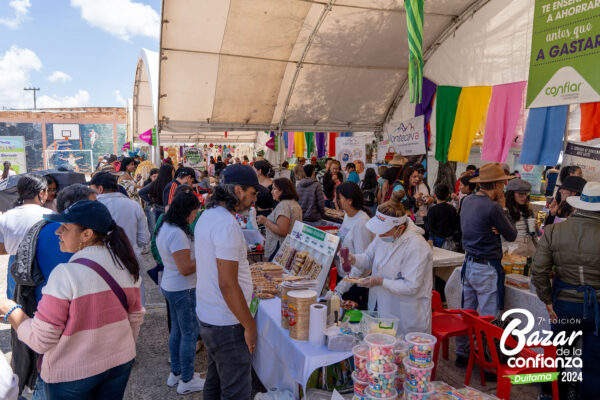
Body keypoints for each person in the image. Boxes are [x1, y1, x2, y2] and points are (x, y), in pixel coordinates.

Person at [0, 200, 144, 399]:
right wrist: (124, 351)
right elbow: (135, 318)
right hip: (119, 363)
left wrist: (11, 311)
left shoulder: (66, 274)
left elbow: (42, 340)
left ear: (87, 234)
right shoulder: (125, 265)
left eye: (65, 227)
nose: (57, 232)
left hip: (73, 374)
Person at [11, 184, 97, 398]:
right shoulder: (90, 236)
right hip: (82, 323)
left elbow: (20, 274)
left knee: (48, 375)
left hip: (47, 320)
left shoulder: (39, 231)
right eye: (94, 204)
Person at [194, 164, 259, 399]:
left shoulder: (209, 216)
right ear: (239, 191)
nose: (253, 200)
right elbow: (227, 284)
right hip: (227, 323)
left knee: (214, 381)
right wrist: (249, 325)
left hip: (211, 316)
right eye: (253, 194)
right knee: (235, 391)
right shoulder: (226, 224)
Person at [531, 182, 600, 400]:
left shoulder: (554, 230)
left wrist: (547, 300)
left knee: (560, 355)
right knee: (594, 362)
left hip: (564, 305)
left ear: (579, 205)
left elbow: (538, 270)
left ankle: (551, 395)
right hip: (597, 308)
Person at [455, 163, 517, 368]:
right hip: (486, 267)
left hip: (469, 262)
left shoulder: (467, 201)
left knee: (466, 311)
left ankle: (461, 353)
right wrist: (504, 208)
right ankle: (488, 362)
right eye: (502, 184)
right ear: (497, 186)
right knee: (488, 318)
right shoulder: (493, 207)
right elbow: (512, 234)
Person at [346, 190, 432, 334]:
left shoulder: (416, 246)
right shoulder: (383, 236)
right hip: (382, 305)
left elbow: (411, 287)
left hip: (407, 313)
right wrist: (353, 258)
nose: (380, 235)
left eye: (384, 231)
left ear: (401, 228)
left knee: (402, 349)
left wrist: (380, 281)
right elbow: (368, 257)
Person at [155, 191, 205, 394]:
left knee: (177, 330)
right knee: (189, 333)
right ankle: (186, 379)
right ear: (186, 212)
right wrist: (205, 256)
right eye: (194, 213)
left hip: (172, 285)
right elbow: (185, 268)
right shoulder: (177, 233)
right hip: (183, 288)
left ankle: (176, 372)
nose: (195, 217)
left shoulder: (166, 226)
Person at [0, 175, 53, 299]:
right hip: (43, 262)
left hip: (15, 263)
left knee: (16, 302)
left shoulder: (6, 217)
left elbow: (1, 248)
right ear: (41, 193)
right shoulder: (50, 216)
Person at [89, 172, 150, 266]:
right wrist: (129, 242)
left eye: (92, 190)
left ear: (100, 189)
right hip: (131, 260)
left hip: (102, 262)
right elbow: (144, 239)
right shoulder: (134, 206)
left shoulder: (92, 207)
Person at [332, 182, 375, 310]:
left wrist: (342, 287)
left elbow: (362, 263)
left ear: (349, 201)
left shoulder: (362, 223)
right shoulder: (347, 215)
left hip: (355, 284)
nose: (335, 200)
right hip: (344, 277)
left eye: (338, 198)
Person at [257, 178, 302, 261]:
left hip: (279, 249)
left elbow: (282, 230)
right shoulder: (294, 203)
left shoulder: (283, 205)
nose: (271, 192)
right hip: (289, 247)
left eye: (274, 189)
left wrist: (265, 221)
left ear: (283, 191)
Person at [505, 178, 537, 258]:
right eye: (521, 194)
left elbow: (533, 233)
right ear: (511, 195)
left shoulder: (527, 208)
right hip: (512, 247)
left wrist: (535, 228)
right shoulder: (504, 211)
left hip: (529, 245)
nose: (524, 197)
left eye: (526, 194)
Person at [427, 184, 460, 249]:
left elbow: (430, 226)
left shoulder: (432, 209)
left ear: (434, 195)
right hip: (449, 239)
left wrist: (424, 217)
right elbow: (456, 224)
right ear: (448, 195)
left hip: (435, 239)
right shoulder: (452, 208)